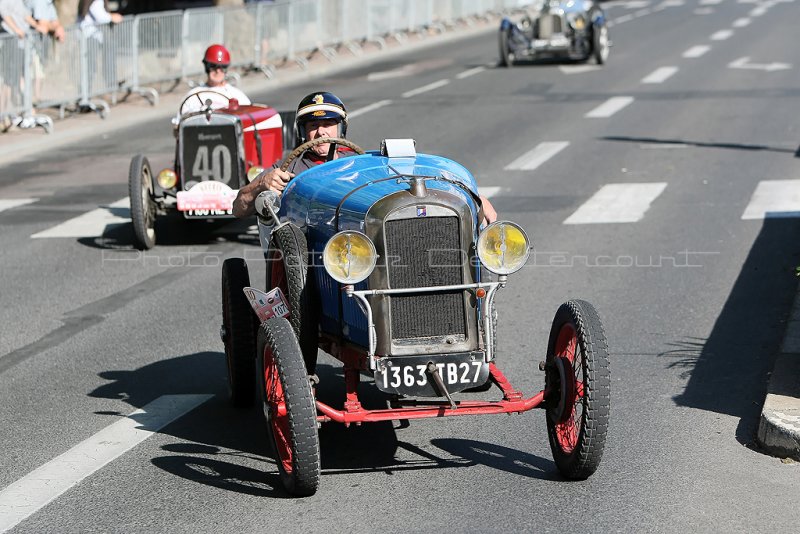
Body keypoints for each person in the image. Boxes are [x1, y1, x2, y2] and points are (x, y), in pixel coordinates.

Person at [232, 91, 498, 224]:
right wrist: (261, 184)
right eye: (313, 126)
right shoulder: (288, 169)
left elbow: (404, 180)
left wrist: (470, 195)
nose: (321, 131)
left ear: (341, 128)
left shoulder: (360, 162)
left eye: (329, 123)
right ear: (302, 131)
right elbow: (237, 207)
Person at [176, 44, 250, 119]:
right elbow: (179, 124)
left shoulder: (237, 96)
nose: (218, 71)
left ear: (226, 69)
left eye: (222, 67)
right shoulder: (192, 96)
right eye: (213, 66)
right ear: (206, 67)